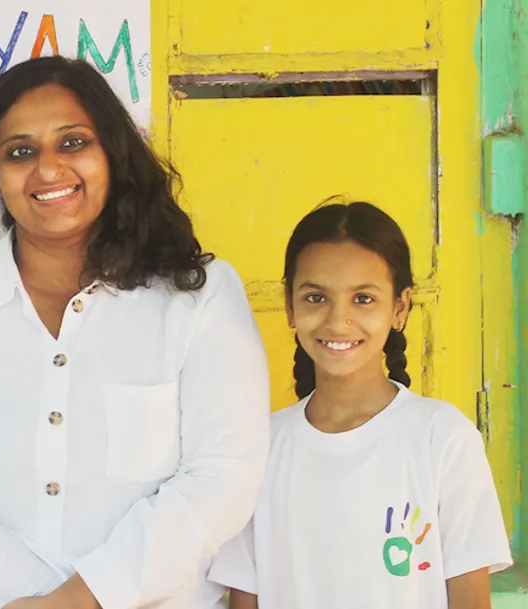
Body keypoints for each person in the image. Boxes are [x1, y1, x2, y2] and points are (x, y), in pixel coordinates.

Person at [0, 56, 271, 609]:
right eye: (20, 152)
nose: (47, 169)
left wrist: (86, 598)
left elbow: (221, 479)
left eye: (72, 143)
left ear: (112, 153)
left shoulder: (198, 296)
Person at [207, 202, 512, 608]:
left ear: (400, 307)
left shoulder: (442, 439)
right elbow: (245, 600)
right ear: (290, 306)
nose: (338, 321)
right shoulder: (258, 448)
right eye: (316, 297)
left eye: (363, 299)